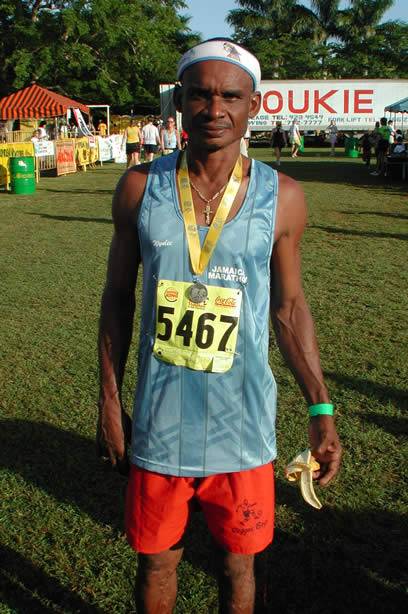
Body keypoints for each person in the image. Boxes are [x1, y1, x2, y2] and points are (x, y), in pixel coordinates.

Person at [97, 38, 342, 614]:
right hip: (159, 424)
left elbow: (289, 308)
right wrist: (109, 401)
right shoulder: (140, 187)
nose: (215, 109)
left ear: (253, 105)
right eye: (200, 95)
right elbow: (116, 298)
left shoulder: (283, 197)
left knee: (239, 567)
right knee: (156, 564)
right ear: (179, 101)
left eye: (231, 96)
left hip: (244, 427)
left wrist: (320, 408)